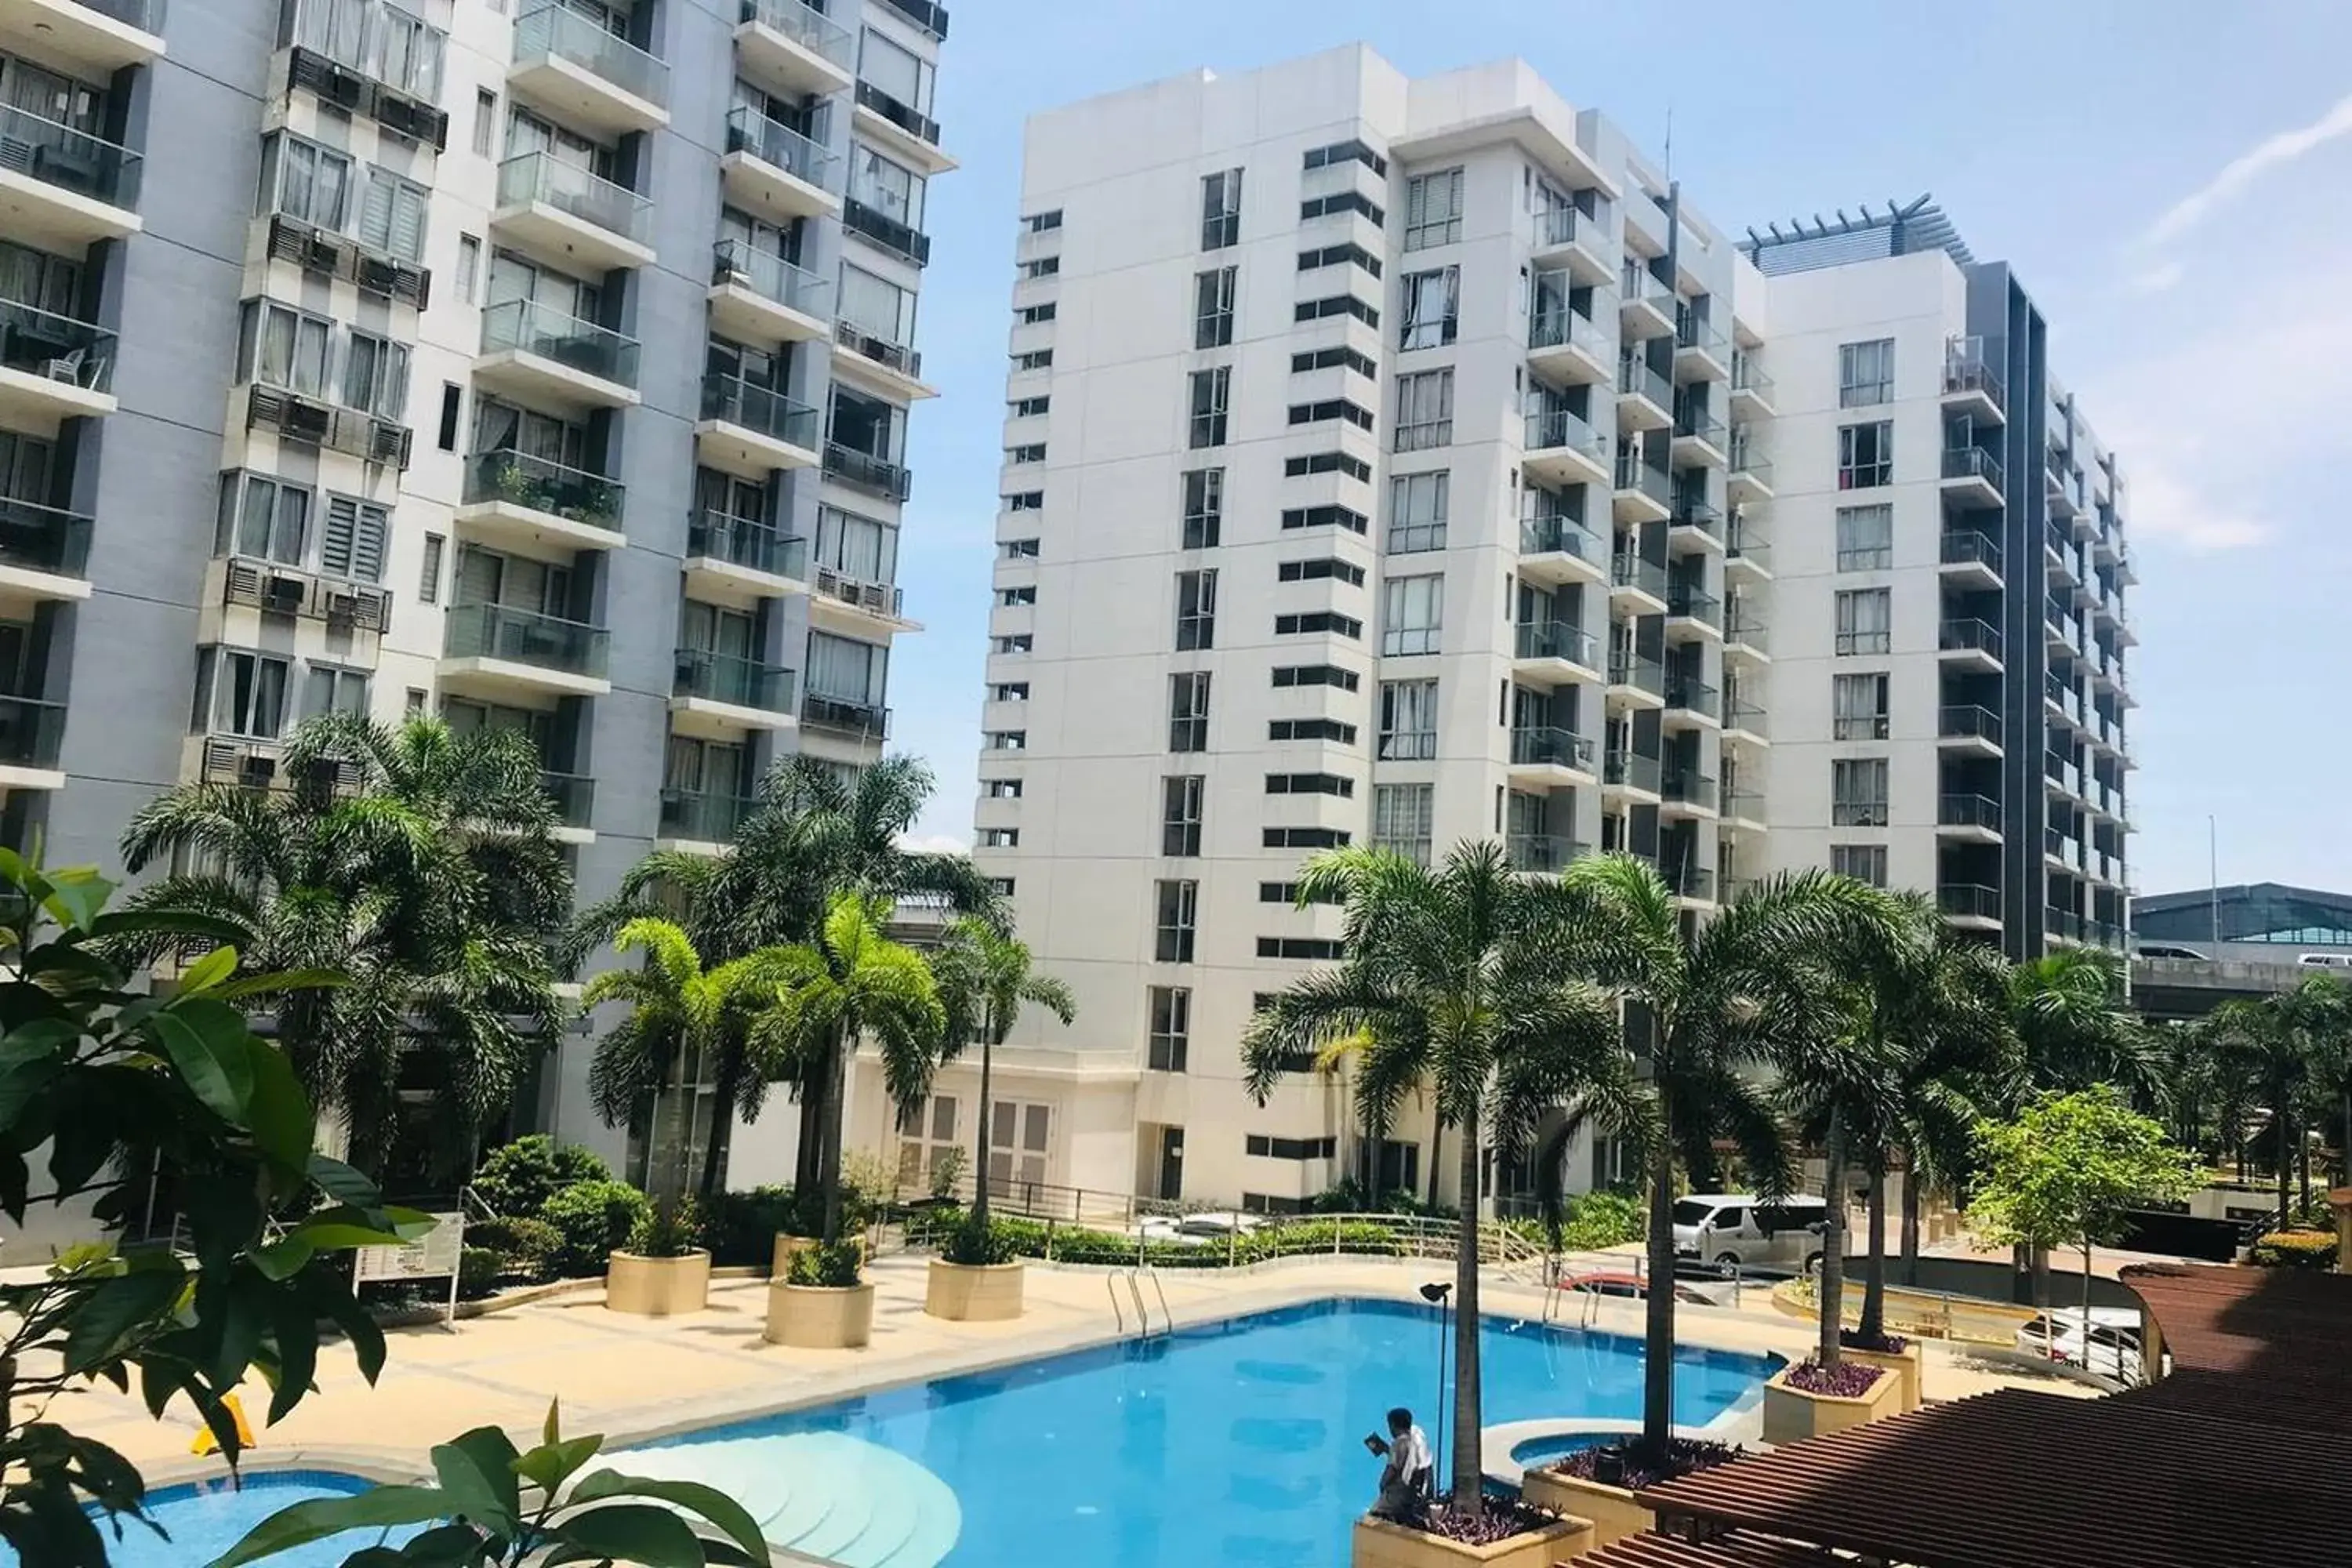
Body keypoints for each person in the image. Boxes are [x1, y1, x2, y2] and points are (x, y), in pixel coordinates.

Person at [1365, 1406, 1432, 1519]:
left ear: (1393, 1425)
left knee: (1371, 1515)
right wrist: (1388, 1450)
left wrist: (1382, 1486)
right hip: (1411, 1495)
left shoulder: (1398, 1443)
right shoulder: (1414, 1440)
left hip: (1397, 1498)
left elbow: (1391, 1471)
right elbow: (1406, 1459)